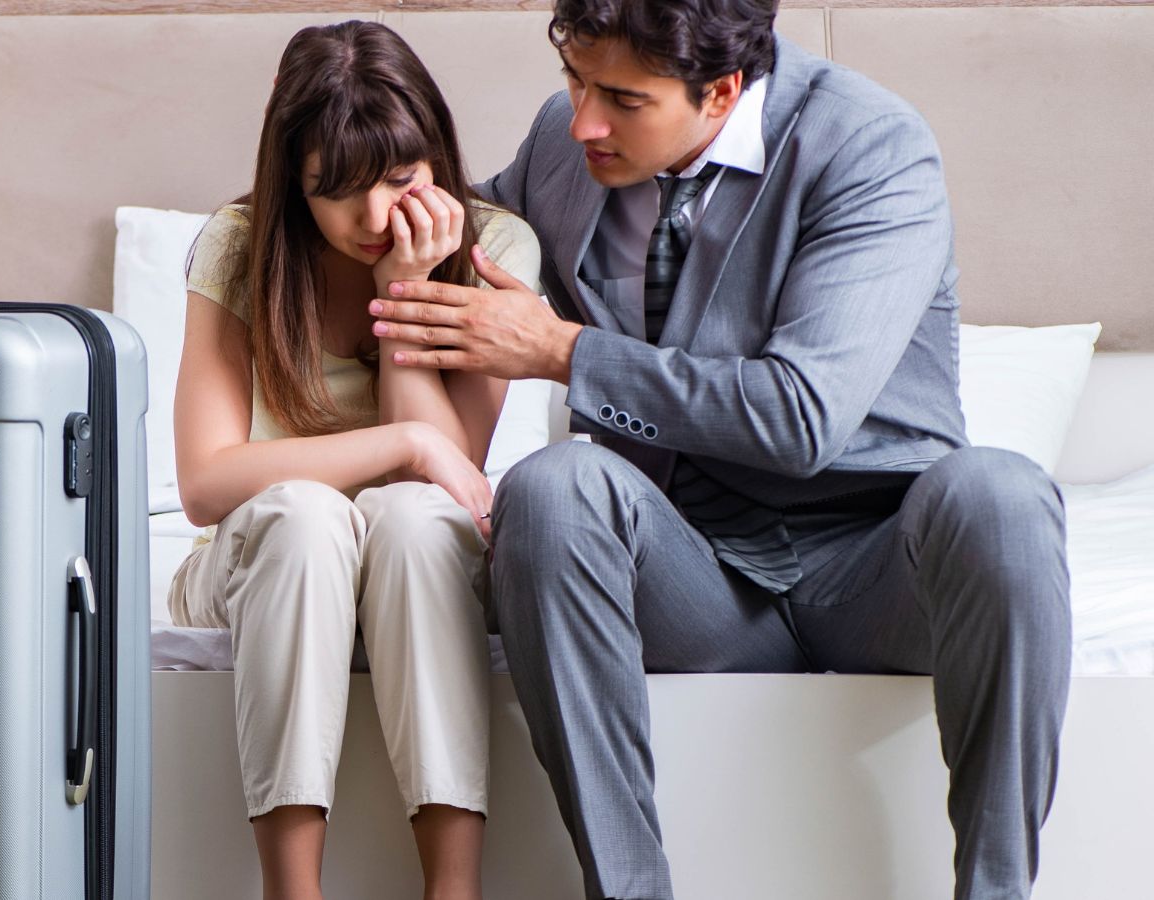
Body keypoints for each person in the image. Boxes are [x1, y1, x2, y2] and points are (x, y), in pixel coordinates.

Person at [369, 1, 1070, 898]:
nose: (585, 119)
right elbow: (455, 244)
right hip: (687, 573)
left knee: (1003, 495)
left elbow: (802, 417)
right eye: (574, 81)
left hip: (881, 570)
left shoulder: (871, 147)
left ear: (724, 89)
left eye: (621, 98)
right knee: (550, 489)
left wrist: (562, 350)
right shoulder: (566, 144)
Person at [167, 20, 542, 900]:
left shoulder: (495, 252)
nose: (376, 219)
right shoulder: (241, 245)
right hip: (257, 552)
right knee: (306, 513)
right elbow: (205, 483)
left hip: (418, 557)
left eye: (403, 180)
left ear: (437, 161)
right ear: (294, 185)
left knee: (411, 519)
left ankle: (454, 890)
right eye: (337, 192)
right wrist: (406, 439)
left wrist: (403, 297)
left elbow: (441, 486)